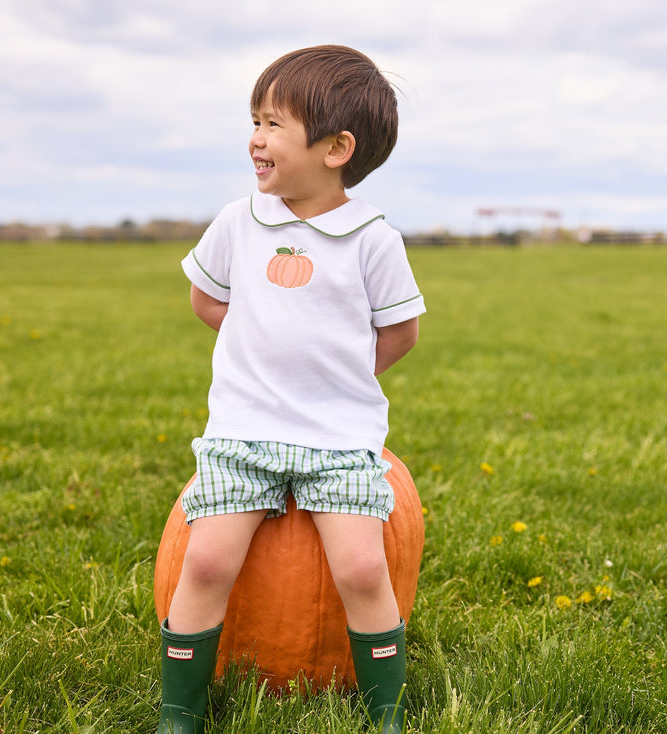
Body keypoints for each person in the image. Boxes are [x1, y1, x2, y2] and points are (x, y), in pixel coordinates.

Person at [156, 45, 424, 734]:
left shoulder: (372, 240)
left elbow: (400, 333)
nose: (256, 137)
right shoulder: (238, 221)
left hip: (338, 439)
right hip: (243, 434)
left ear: (336, 148)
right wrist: (260, 353)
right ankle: (179, 715)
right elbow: (206, 299)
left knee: (363, 569)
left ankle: (386, 715)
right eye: (255, 120)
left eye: (274, 123)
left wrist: (336, 377)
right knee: (205, 560)